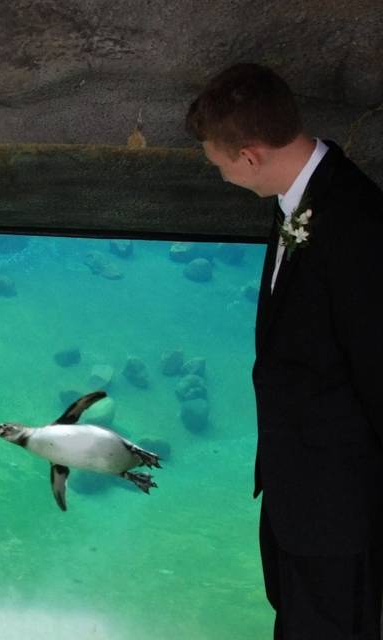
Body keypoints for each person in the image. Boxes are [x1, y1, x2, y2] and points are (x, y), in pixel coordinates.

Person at [186, 63, 383, 639]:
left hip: (340, 513)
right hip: (300, 500)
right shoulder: (298, 199)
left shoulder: (360, 226)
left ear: (249, 156)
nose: (220, 175)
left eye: (219, 164)